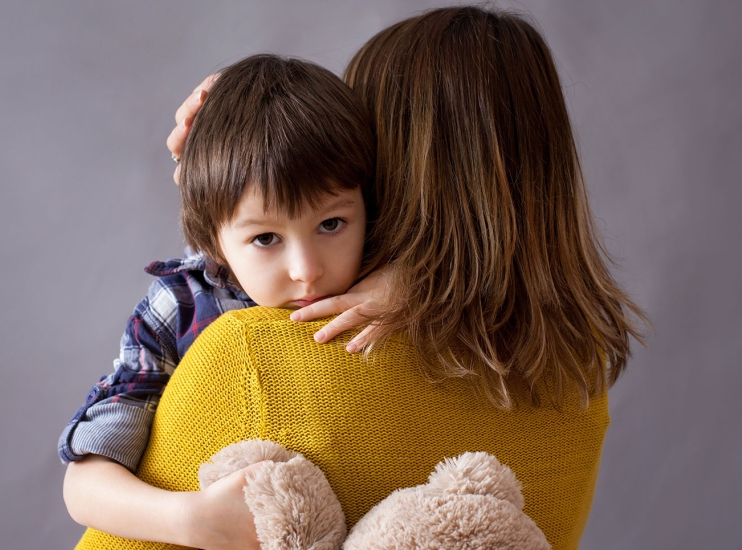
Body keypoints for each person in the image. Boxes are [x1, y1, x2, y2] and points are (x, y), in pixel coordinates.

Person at [71, 6, 647, 550]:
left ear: (383, 170)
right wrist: (242, 133)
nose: (304, 269)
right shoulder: (579, 378)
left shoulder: (253, 353)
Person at [61, 53, 378, 549]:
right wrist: (193, 520)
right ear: (212, 240)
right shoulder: (182, 308)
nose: (307, 269)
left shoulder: (382, 276)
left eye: (331, 225)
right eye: (267, 239)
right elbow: (85, 482)